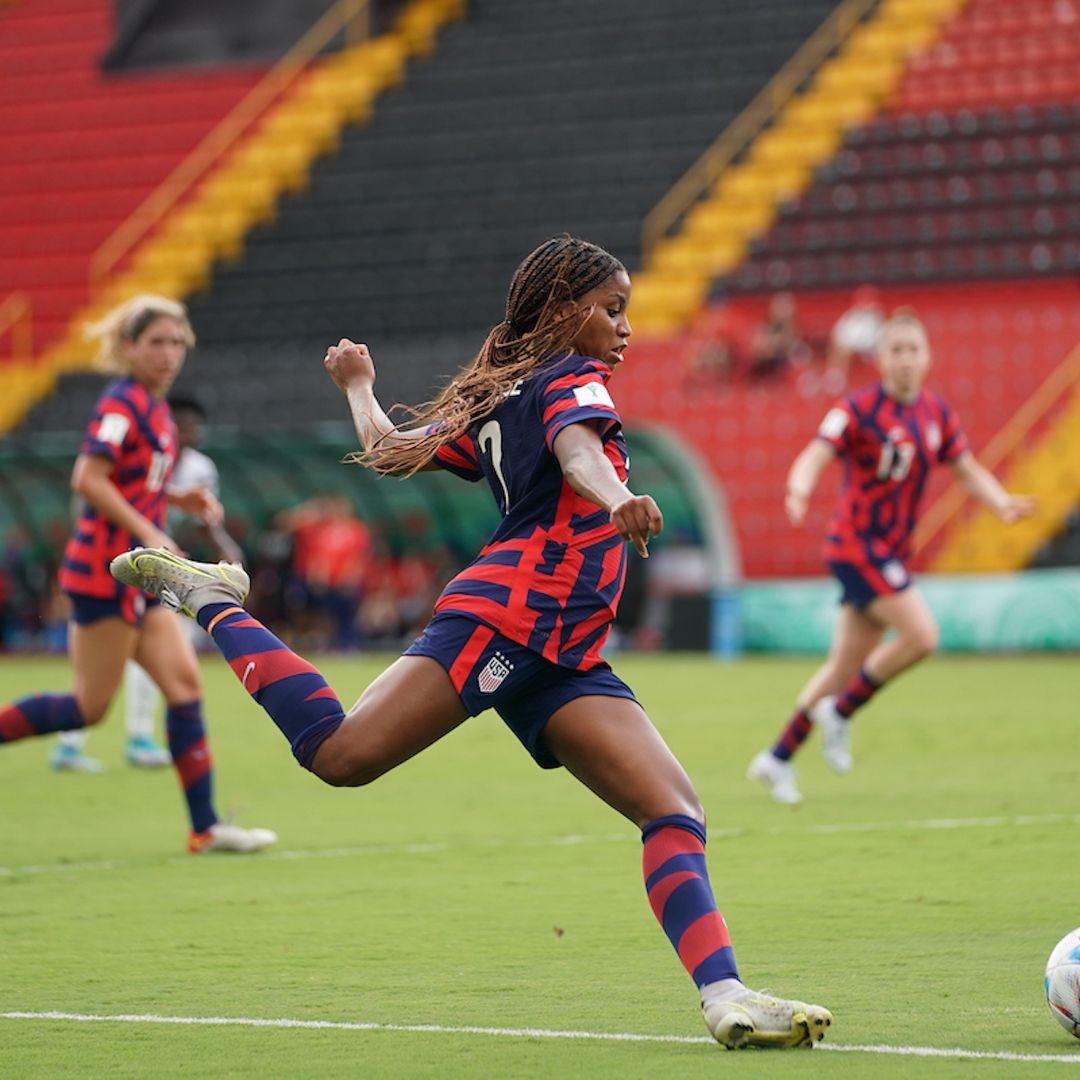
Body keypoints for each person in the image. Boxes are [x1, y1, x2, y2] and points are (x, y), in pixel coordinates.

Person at [111, 237, 832, 1050]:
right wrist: (620, 495)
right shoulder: (571, 379)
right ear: (564, 313)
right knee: (340, 755)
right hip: (507, 619)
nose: (626, 328)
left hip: (562, 649)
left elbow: (389, 449)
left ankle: (724, 994)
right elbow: (580, 450)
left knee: (674, 810)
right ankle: (211, 597)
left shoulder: (508, 391)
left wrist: (360, 387)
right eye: (613, 309)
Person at [0, 294, 276, 854]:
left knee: (183, 688)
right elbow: (88, 479)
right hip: (106, 575)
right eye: (157, 342)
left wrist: (178, 499)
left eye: (177, 343)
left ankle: (206, 829)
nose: (169, 353)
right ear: (129, 348)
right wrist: (150, 530)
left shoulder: (155, 409)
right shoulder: (123, 403)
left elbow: (132, 481)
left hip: (141, 576)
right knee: (89, 708)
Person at [748, 309, 1035, 804]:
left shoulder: (936, 414)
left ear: (927, 358)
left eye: (913, 350)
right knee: (922, 636)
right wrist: (799, 485)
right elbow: (818, 451)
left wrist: (1002, 501)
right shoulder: (858, 409)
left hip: (889, 551)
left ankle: (776, 758)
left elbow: (966, 469)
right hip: (856, 545)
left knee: (842, 667)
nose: (905, 360)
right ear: (880, 359)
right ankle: (840, 713)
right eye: (896, 350)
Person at [50, 394, 244, 773]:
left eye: (193, 427)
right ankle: (73, 742)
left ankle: (139, 740)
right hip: (119, 560)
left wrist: (221, 554)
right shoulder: (137, 446)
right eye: (181, 425)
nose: (187, 432)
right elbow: (92, 490)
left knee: (173, 667)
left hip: (164, 565)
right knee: (112, 664)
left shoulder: (200, 467)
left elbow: (203, 521)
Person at [824, 284, 885, 393]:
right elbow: (838, 335)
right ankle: (835, 379)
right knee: (838, 350)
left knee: (844, 350)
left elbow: (877, 340)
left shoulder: (877, 318)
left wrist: (854, 347)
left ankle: (836, 381)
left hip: (870, 354)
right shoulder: (850, 316)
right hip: (850, 351)